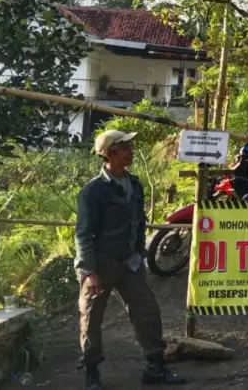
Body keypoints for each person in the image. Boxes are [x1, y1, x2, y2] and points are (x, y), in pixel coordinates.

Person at [75, 130, 186, 389]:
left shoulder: (134, 184)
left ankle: (155, 367)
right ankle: (92, 374)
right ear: (109, 153)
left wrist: (139, 253)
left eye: (130, 147)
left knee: (147, 311)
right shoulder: (92, 192)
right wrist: (90, 271)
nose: (130, 152)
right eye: (125, 148)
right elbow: (84, 234)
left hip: (129, 262)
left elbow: (139, 223)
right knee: (91, 317)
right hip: (100, 264)